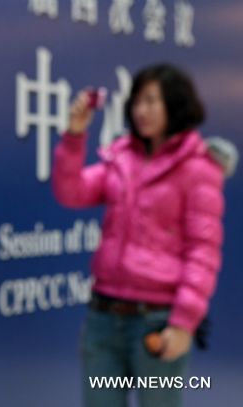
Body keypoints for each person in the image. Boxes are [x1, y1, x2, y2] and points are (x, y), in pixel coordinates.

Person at [51, 64, 226, 407]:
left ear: (175, 105)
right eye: (137, 102)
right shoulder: (122, 159)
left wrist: (183, 324)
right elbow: (70, 192)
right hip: (104, 318)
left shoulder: (198, 168)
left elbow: (203, 251)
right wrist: (74, 138)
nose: (140, 111)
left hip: (156, 323)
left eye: (151, 101)